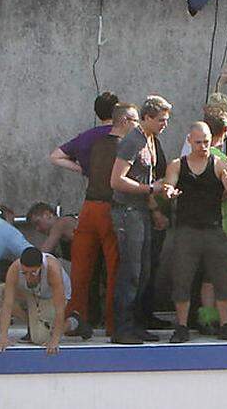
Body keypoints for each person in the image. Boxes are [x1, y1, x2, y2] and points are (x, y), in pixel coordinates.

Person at [161, 122, 227, 342]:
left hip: (213, 229)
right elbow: (167, 186)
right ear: (189, 141)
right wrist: (169, 192)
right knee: (182, 278)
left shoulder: (218, 164)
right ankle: (181, 326)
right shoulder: (178, 165)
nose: (203, 146)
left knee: (221, 278)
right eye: (198, 142)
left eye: (206, 142)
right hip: (186, 230)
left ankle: (226, 324)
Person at [59, 102, 135, 337]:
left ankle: (75, 317)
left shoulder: (94, 143)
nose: (137, 125)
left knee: (80, 268)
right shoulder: (127, 147)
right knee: (114, 268)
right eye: (134, 120)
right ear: (123, 121)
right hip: (110, 209)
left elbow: (60, 157)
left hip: (88, 207)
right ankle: (113, 324)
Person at [108, 96, 171, 344]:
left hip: (141, 211)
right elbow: (116, 180)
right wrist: (150, 190)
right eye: (160, 120)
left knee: (143, 271)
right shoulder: (133, 141)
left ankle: (136, 323)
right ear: (146, 118)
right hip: (127, 211)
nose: (164, 124)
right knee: (131, 271)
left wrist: (155, 203)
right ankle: (122, 328)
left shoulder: (151, 140)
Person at [0, 247, 75, 354]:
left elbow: (59, 308)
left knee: (40, 338)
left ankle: (73, 322)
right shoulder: (15, 268)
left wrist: (55, 339)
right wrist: (3, 337)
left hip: (50, 297)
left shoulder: (52, 269)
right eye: (24, 273)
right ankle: (33, 323)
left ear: (41, 267)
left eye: (33, 273)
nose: (28, 277)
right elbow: (7, 304)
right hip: (31, 292)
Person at [48, 91, 118, 178]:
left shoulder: (85, 138)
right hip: (125, 188)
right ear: (118, 111)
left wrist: (83, 169)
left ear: (96, 112)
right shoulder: (125, 133)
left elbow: (55, 156)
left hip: (96, 188)